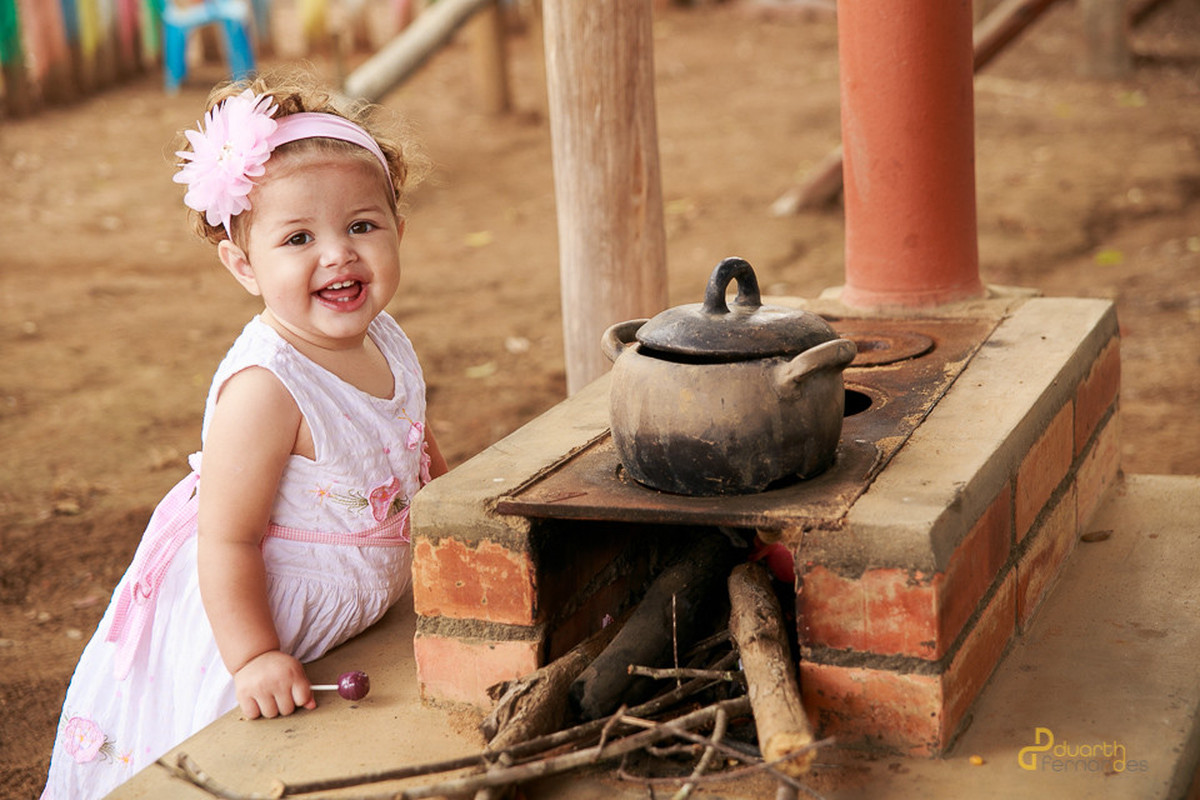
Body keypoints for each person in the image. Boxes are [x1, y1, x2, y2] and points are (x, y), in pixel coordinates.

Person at [41, 71, 447, 799]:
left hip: (342, 613)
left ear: (399, 231)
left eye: (362, 225)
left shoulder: (386, 337)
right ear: (243, 265)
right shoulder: (267, 388)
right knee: (238, 767)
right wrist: (255, 655)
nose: (338, 255)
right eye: (298, 238)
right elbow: (226, 540)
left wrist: (446, 516)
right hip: (260, 612)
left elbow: (413, 442)